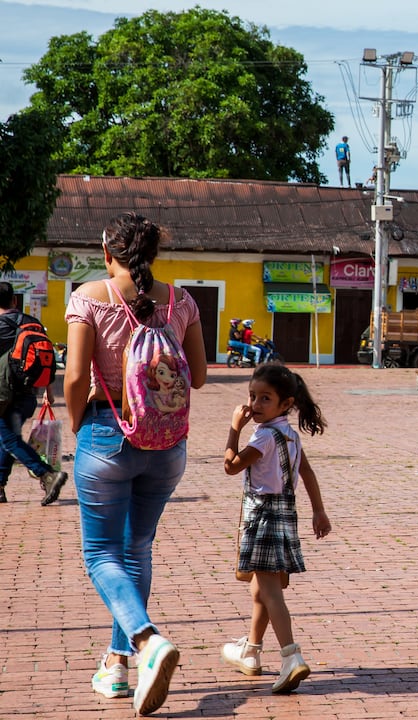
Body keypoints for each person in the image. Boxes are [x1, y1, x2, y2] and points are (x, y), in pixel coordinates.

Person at [63, 211, 207, 714]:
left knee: (101, 554)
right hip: (167, 444)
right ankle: (117, 665)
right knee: (137, 549)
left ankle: (147, 641)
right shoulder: (181, 299)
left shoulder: (89, 298)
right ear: (153, 256)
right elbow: (201, 376)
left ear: (107, 255)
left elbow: (76, 377)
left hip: (107, 432)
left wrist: (81, 425)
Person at [222, 363, 331, 694]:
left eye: (264, 398)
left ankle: (290, 656)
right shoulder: (290, 434)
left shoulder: (264, 436)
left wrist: (234, 429)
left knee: (269, 590)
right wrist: (319, 511)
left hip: (263, 516)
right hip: (284, 513)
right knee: (262, 589)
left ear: (285, 404)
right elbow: (307, 474)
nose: (255, 405)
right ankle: (252, 651)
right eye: (252, 396)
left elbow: (231, 466)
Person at [0, 282, 67, 505]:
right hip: (29, 394)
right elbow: (45, 357)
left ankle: (47, 474)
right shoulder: (32, 323)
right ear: (14, 301)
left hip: (4, 396)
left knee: (8, 438)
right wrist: (49, 391)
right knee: (8, 439)